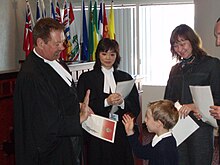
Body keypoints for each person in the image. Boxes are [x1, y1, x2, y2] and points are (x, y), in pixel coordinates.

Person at [13, 18, 93, 165]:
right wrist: (78, 119)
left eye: (63, 42)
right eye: (57, 44)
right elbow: (44, 122)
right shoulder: (32, 76)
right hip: (51, 153)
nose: (62, 48)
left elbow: (62, 97)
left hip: (68, 142)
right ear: (40, 43)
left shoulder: (58, 62)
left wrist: (79, 106)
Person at [77, 38, 141, 165]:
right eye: (104, 53)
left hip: (121, 131)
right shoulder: (87, 78)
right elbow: (82, 106)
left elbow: (135, 107)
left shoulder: (125, 77)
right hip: (97, 132)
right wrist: (106, 101)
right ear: (98, 54)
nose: (108, 58)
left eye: (112, 54)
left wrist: (122, 103)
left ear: (117, 56)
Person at [164, 24, 220, 165]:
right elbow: (168, 99)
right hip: (179, 125)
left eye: (183, 44)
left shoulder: (211, 64)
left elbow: (217, 97)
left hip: (201, 126)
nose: (180, 49)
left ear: (193, 42)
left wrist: (194, 105)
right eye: (176, 46)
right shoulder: (175, 70)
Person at [122, 100, 179, 165]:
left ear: (158, 123)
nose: (145, 120)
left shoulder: (165, 148)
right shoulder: (160, 139)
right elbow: (141, 153)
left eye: (148, 117)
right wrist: (130, 132)